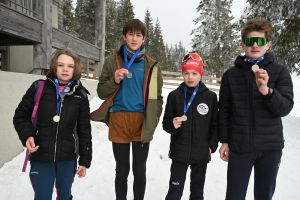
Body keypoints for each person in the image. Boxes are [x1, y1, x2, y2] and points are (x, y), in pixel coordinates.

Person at [219, 18, 294, 200]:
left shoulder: (280, 72)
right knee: (234, 196)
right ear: (242, 44)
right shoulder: (230, 75)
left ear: (268, 44)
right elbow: (225, 111)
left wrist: (267, 92)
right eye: (250, 41)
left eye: (260, 41)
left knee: (264, 196)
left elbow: (285, 107)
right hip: (240, 147)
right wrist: (225, 141)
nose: (255, 45)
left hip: (270, 148)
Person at [90, 18, 163, 200]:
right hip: (119, 119)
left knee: (139, 170)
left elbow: (158, 98)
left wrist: (153, 119)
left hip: (141, 121)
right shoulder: (112, 61)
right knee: (122, 170)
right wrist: (114, 80)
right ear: (124, 36)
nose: (134, 38)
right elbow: (101, 92)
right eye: (130, 34)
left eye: (138, 35)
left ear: (144, 38)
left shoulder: (152, 66)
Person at [13, 49, 92, 200]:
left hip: (67, 159)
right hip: (41, 155)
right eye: (60, 65)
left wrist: (84, 161)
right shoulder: (38, 88)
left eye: (70, 66)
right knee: (42, 196)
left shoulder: (80, 95)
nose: (65, 69)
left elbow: (84, 130)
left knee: (64, 196)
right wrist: (27, 134)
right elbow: (20, 115)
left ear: (75, 69)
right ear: (54, 66)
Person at [162, 52, 219, 200]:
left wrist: (211, 146)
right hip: (179, 153)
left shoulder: (211, 97)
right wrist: (172, 124)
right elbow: (166, 124)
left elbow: (215, 125)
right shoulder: (174, 96)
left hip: (201, 154)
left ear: (201, 73)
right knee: (174, 192)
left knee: (197, 193)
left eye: (194, 73)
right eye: (186, 73)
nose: (190, 77)